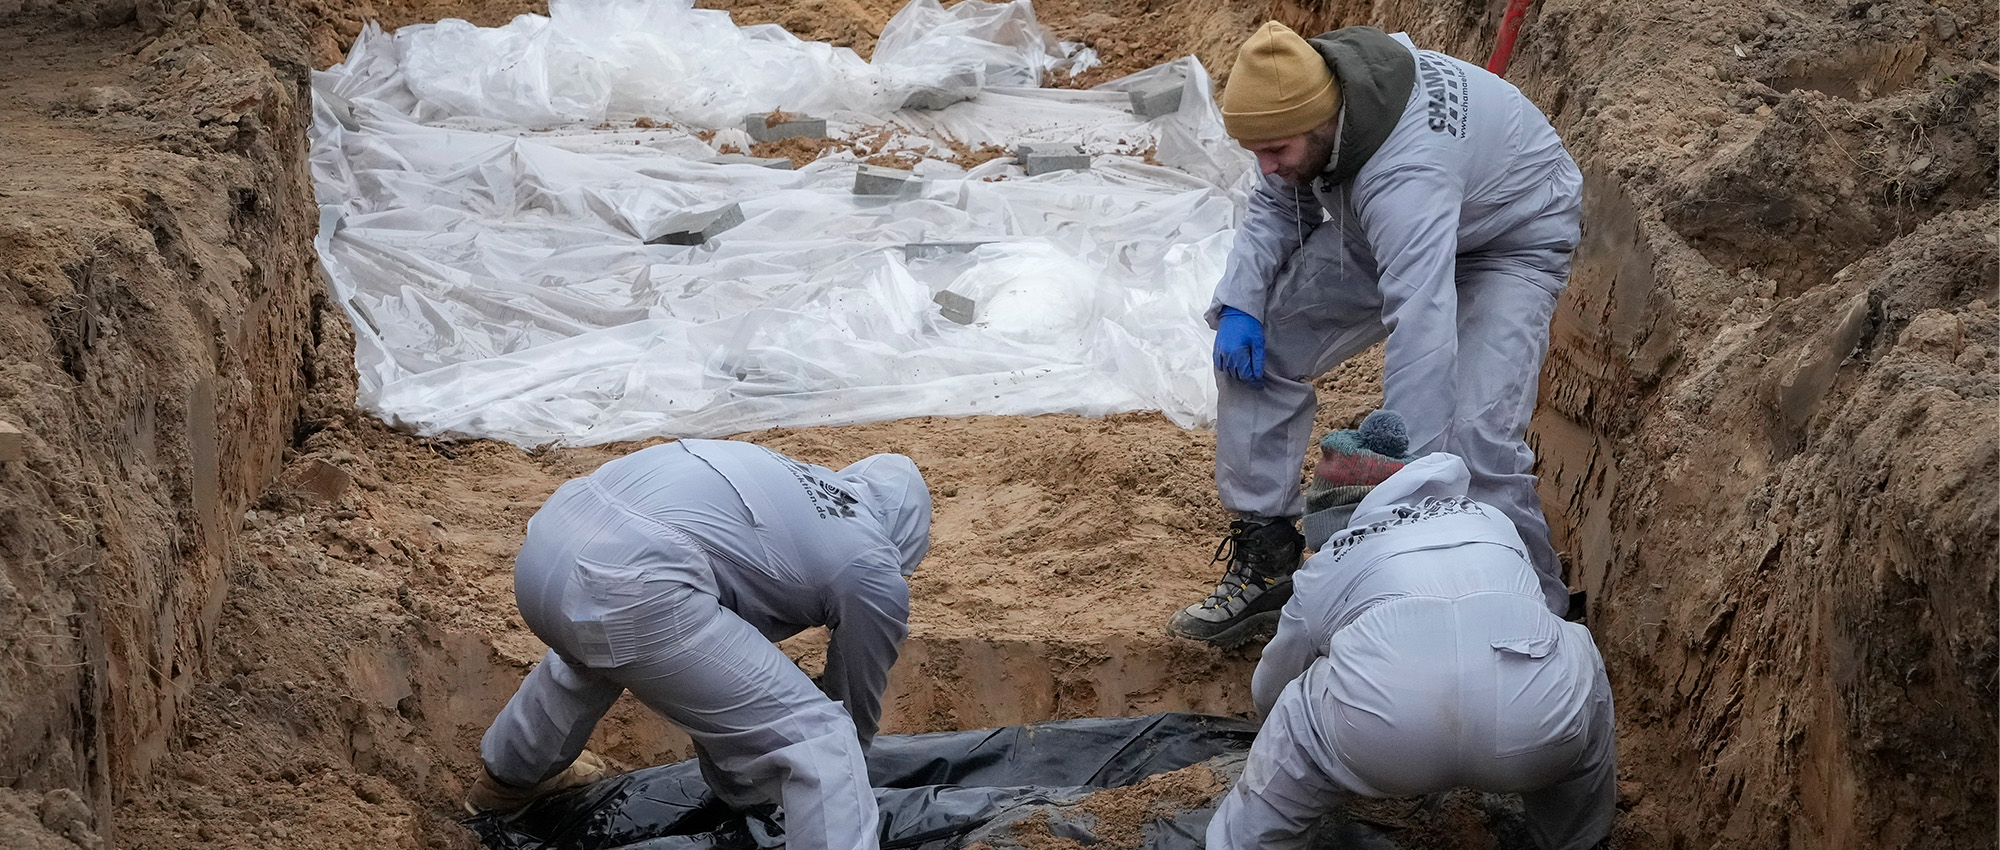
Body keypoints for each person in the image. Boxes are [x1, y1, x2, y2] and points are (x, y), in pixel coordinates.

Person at [1168, 20, 1581, 646]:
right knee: (1262, 346)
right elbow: (1278, 203)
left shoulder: (1405, 172)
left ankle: (1538, 612)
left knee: (1473, 440)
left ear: (1323, 123)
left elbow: (1421, 324)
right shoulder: (1308, 101)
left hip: (1508, 240)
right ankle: (1267, 555)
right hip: (1376, 229)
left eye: (1275, 151)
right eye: (1256, 152)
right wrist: (1241, 304)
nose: (1266, 166)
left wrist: (1403, 488)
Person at [467, 439, 932, 850]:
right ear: (904, 535)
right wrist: (848, 769)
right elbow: (857, 691)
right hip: (633, 581)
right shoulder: (871, 562)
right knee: (824, 739)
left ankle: (505, 783)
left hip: (548, 548)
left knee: (589, 657)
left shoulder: (789, 479)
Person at [1206, 448, 1616, 850]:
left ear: (1335, 520)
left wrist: (1282, 734)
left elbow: (1277, 678)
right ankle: (1578, 838)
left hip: (1385, 740)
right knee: (1576, 647)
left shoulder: (1332, 560)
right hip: (1536, 731)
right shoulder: (1492, 521)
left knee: (1297, 712)